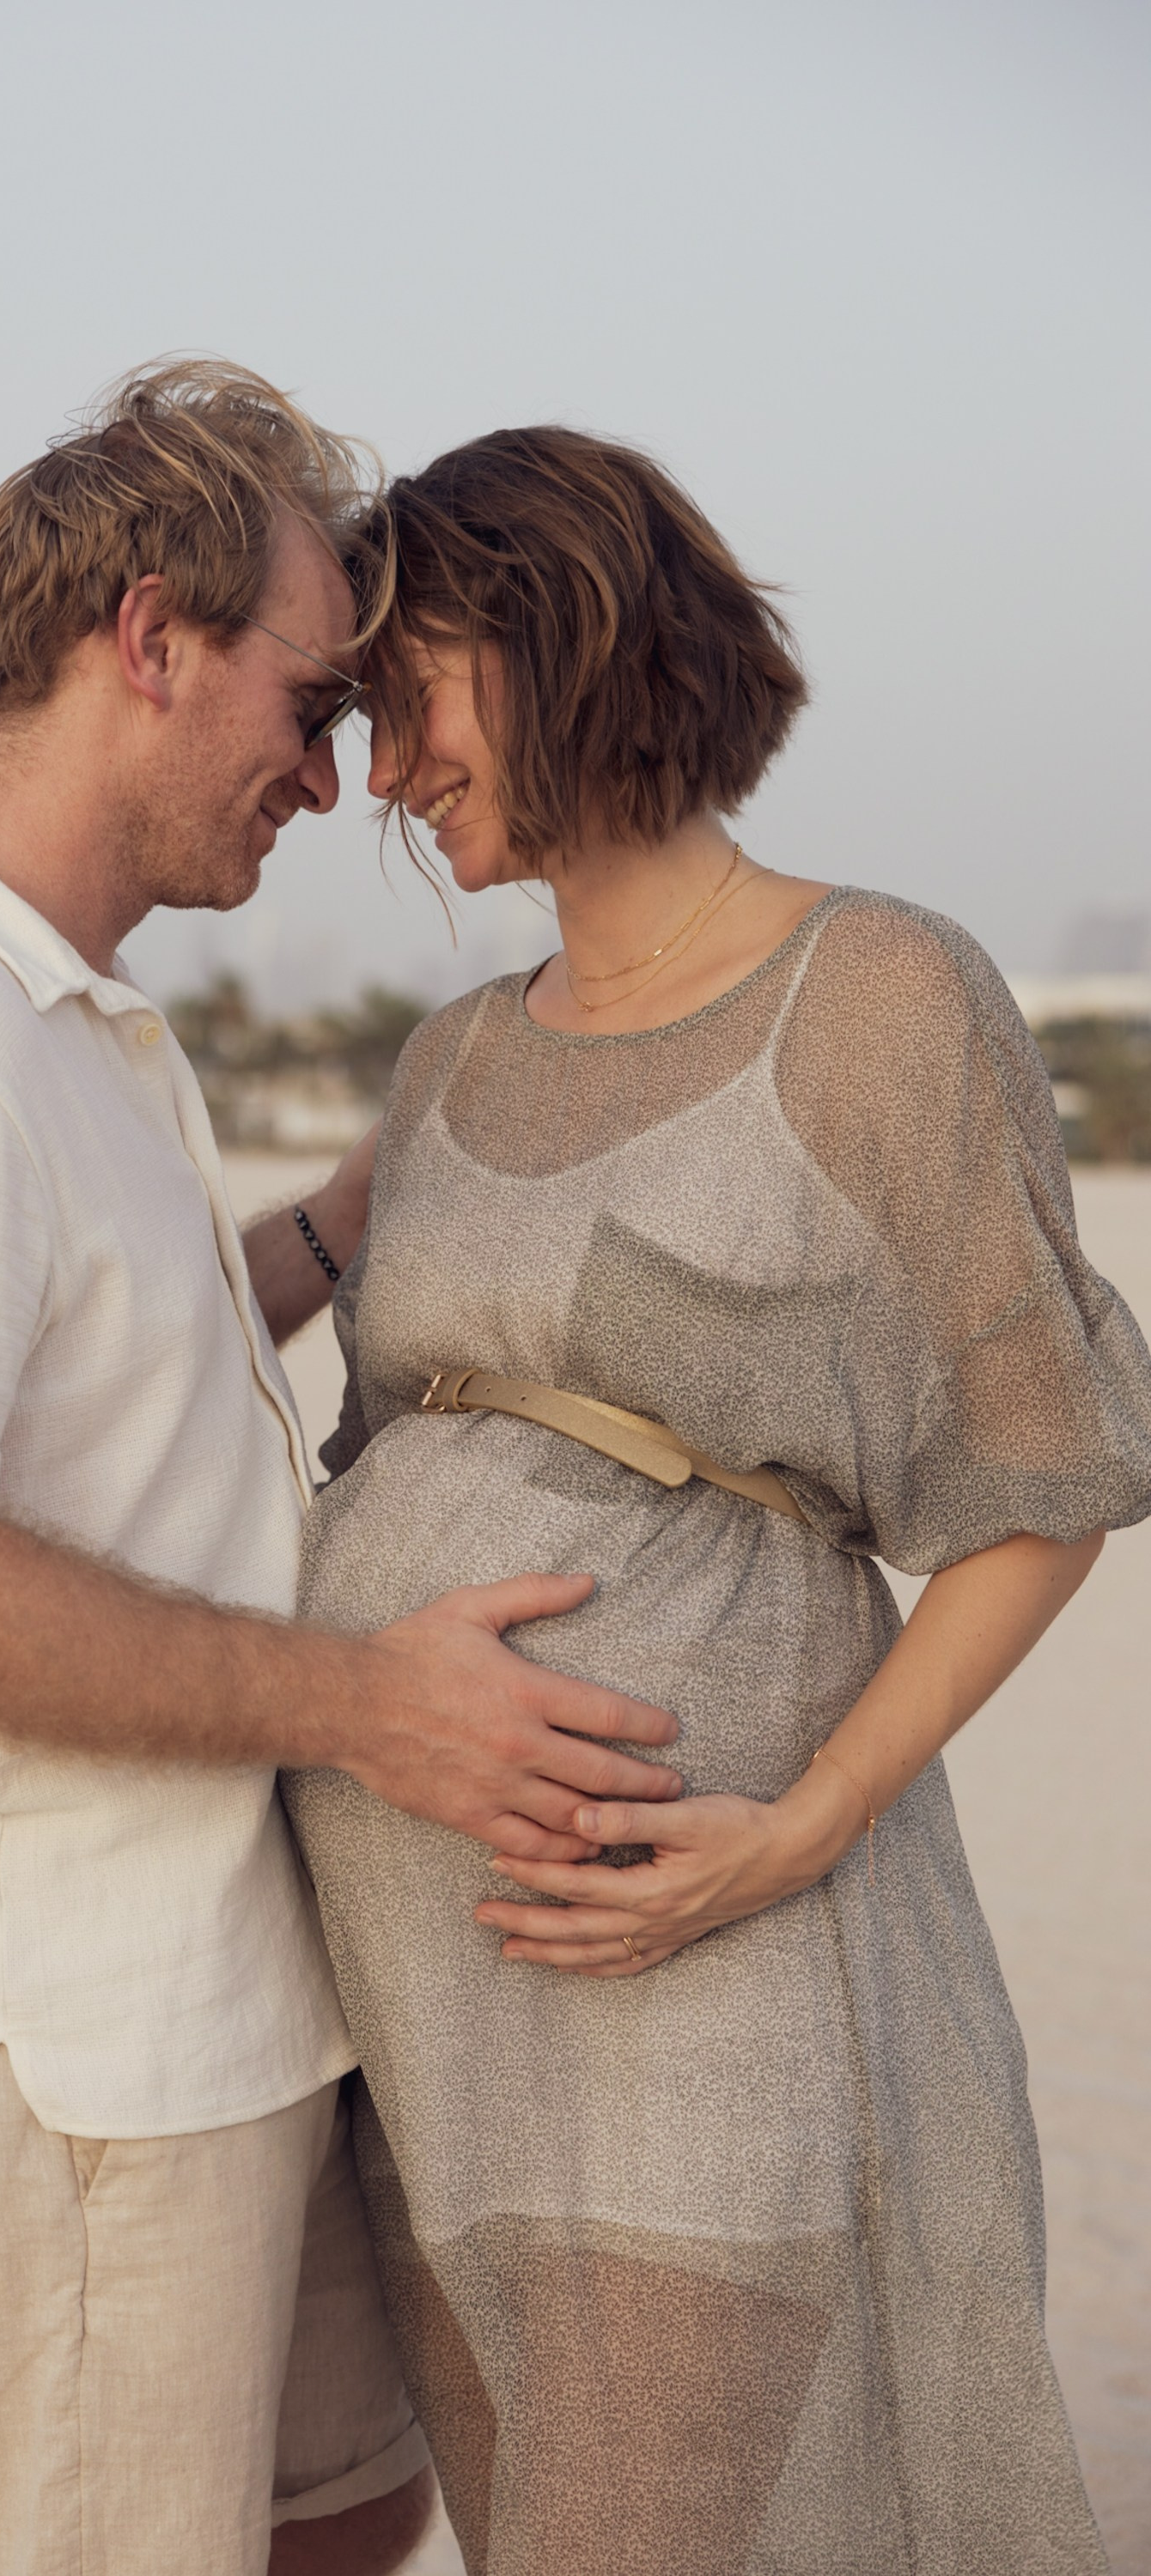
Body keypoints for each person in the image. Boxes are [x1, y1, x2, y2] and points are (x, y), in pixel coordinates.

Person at [0, 364, 685, 2576]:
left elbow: (123, 1378)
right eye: (309, 699)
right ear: (146, 641)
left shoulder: (74, 1016)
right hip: (68, 2058)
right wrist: (376, 1708)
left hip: (243, 2006)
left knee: (347, 2519)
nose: (336, 775)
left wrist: (360, 1214)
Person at [284, 423, 1151, 2575]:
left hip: (712, 1959)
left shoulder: (877, 991)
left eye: (409, 699)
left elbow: (1045, 1478)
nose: (383, 775)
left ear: (553, 630)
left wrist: (798, 1826)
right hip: (427, 2013)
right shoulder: (450, 1054)